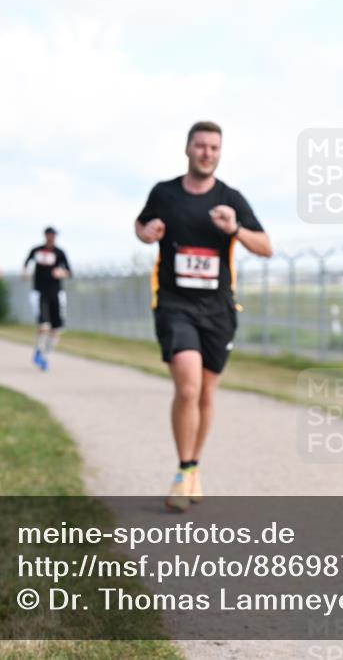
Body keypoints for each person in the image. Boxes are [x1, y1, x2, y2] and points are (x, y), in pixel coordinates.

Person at [134, 121, 272, 512]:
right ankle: (183, 469)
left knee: (207, 393)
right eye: (200, 146)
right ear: (187, 149)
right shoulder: (165, 193)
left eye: (213, 147)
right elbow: (141, 224)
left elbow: (265, 247)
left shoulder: (231, 198)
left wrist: (236, 229)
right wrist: (146, 232)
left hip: (218, 311)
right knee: (189, 388)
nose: (206, 152)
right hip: (175, 306)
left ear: (220, 152)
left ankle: (194, 467)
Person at [22, 226, 72, 371]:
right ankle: (39, 350)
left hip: (56, 292)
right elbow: (26, 263)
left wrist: (61, 273)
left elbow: (69, 271)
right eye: (50, 235)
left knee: (56, 329)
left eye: (54, 235)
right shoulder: (36, 250)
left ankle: (44, 354)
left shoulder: (60, 252)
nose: (52, 237)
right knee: (44, 326)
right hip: (39, 292)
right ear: (46, 235)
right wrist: (25, 272)